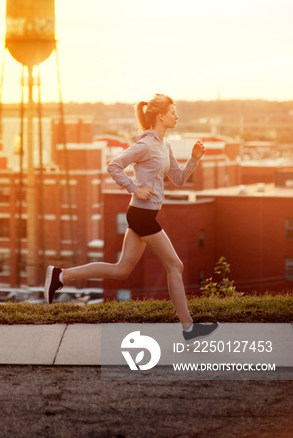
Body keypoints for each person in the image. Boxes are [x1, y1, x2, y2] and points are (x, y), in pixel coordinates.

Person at [44, 93, 218, 343]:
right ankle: (189, 328)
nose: (176, 116)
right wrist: (133, 187)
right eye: (172, 112)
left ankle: (60, 276)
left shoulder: (164, 146)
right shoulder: (145, 145)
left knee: (122, 270)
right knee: (175, 265)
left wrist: (194, 159)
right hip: (141, 215)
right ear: (161, 116)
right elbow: (113, 165)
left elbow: (178, 179)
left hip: (144, 214)